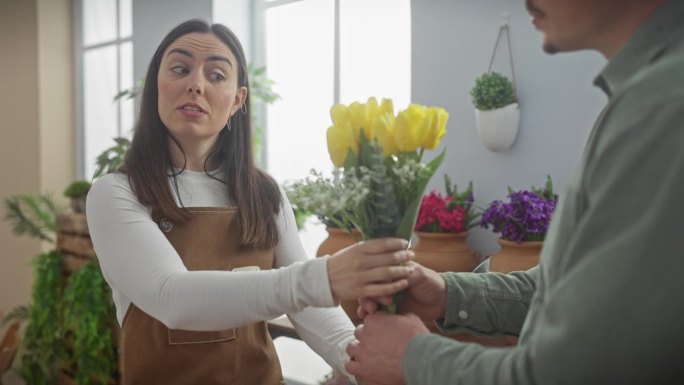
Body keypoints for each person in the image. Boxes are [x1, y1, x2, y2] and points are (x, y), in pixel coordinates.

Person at [345, 0, 684, 384]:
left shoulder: (666, 104)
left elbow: (572, 373)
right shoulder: (643, 96)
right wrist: (445, 294)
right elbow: (564, 292)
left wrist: (413, 358)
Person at [86, 19, 414, 385]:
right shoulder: (117, 193)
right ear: (155, 87)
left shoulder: (263, 194)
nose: (196, 84)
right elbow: (172, 298)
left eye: (216, 75)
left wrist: (354, 359)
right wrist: (327, 276)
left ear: (238, 100)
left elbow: (310, 311)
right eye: (180, 69)